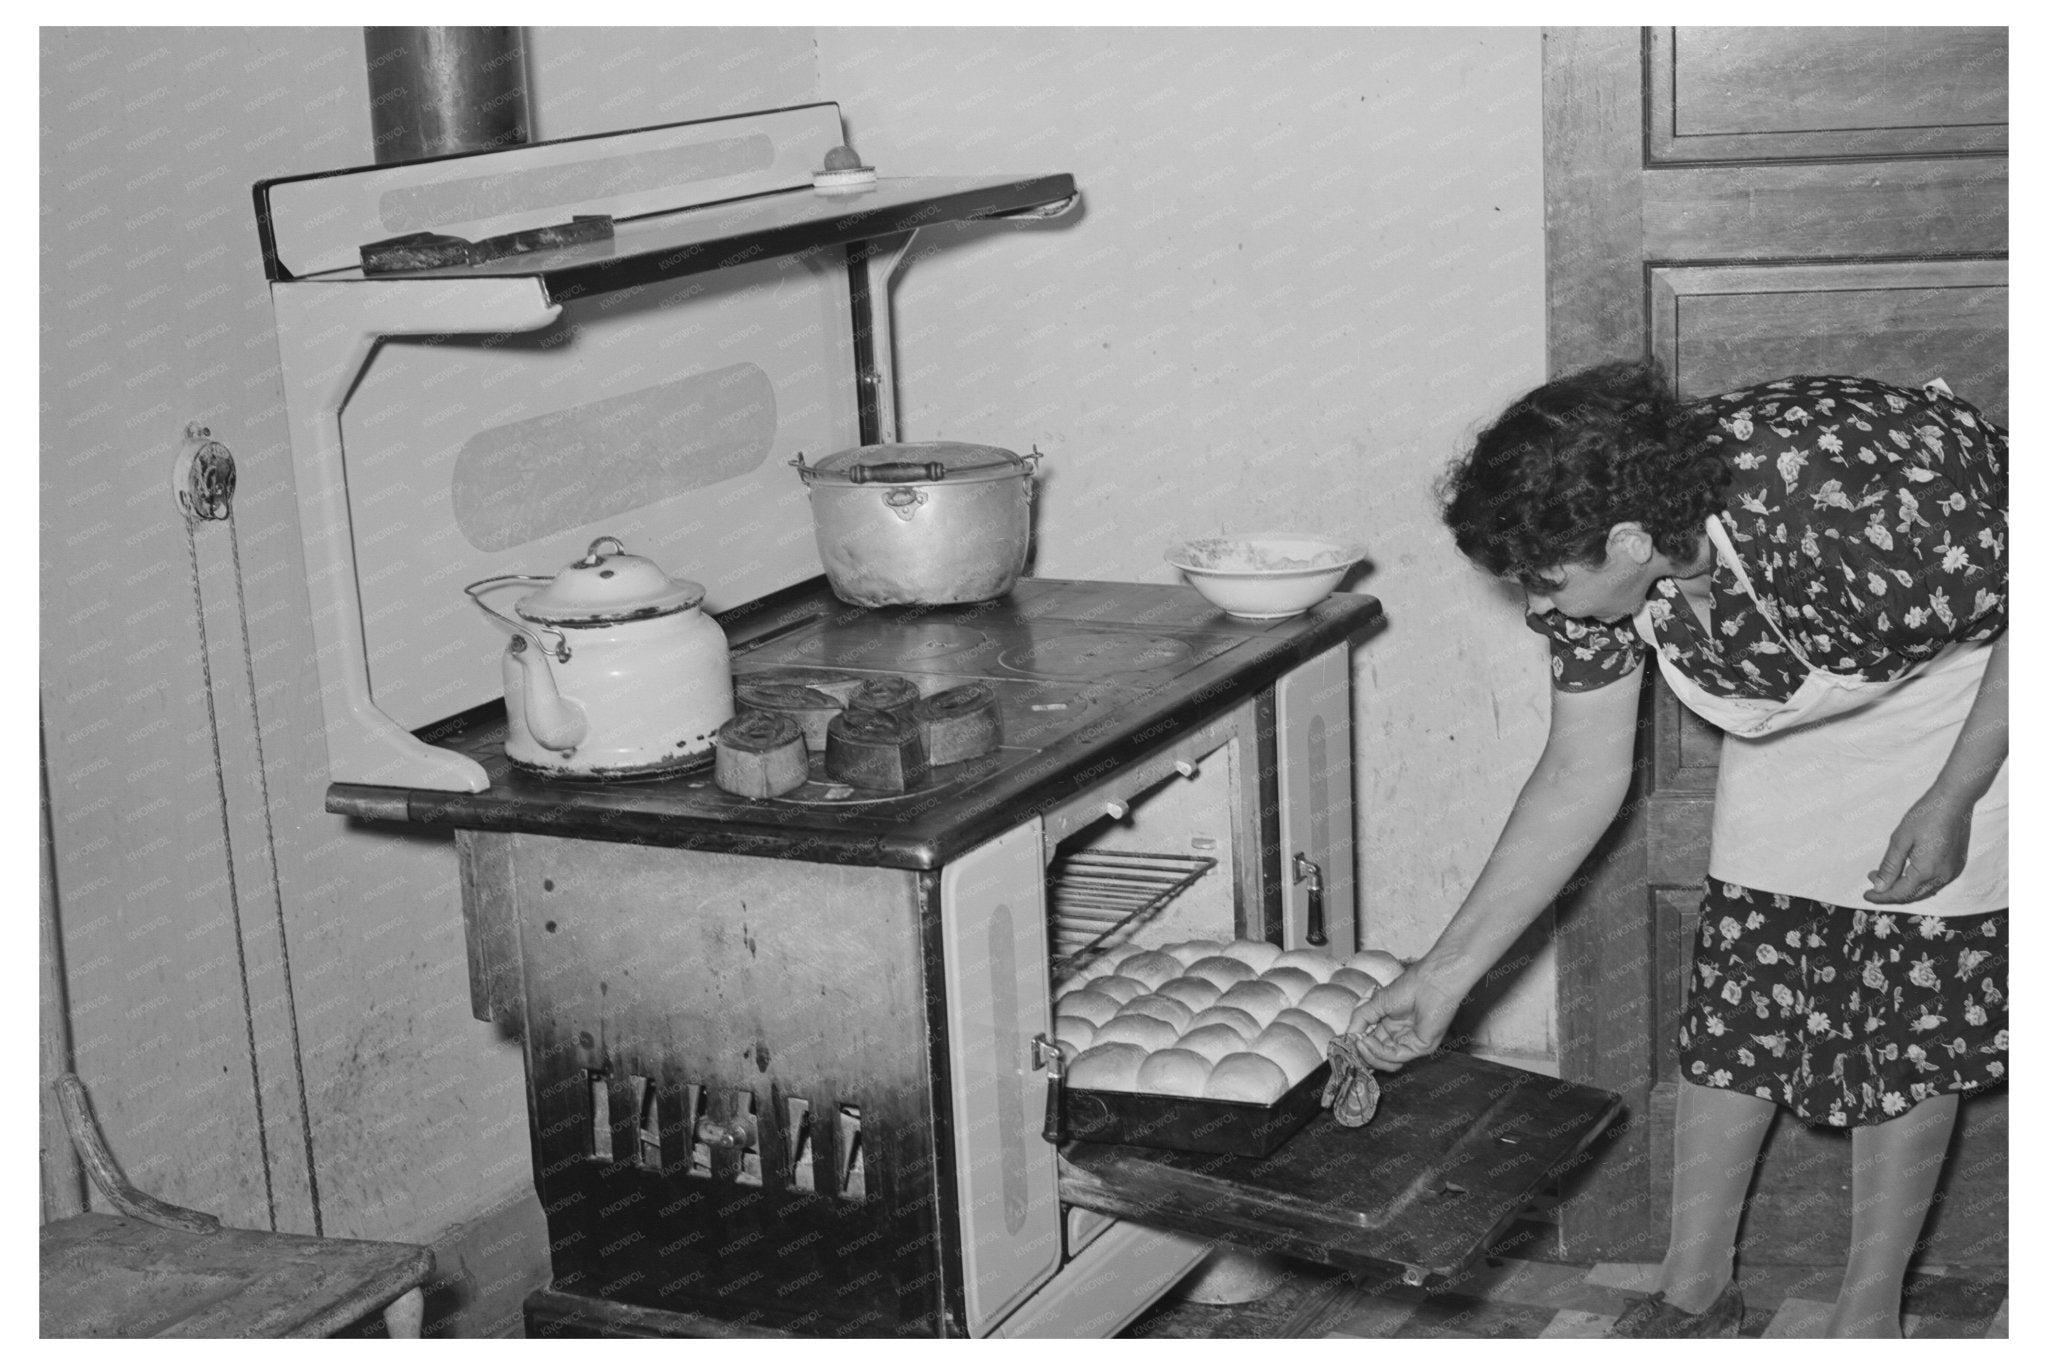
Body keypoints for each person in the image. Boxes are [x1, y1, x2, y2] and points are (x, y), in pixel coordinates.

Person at [1350, 363, 2008, 1338]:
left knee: (1903, 1012)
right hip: (1797, 691)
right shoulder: (1606, 562)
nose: (1540, 607)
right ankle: (1692, 1291)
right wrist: (1441, 975)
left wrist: (1954, 793)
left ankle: (1867, 1316)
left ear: (1624, 541)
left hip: (1967, 685)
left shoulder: (1858, 497)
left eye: (1545, 581)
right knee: (1741, 986)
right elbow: (1579, 775)